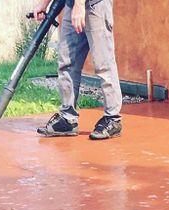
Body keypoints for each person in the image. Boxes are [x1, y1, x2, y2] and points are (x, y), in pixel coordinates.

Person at [33, 0, 123, 140]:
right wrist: (44, 3)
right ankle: (67, 119)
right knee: (67, 62)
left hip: (95, 5)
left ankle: (112, 119)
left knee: (103, 64)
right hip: (73, 5)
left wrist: (80, 6)